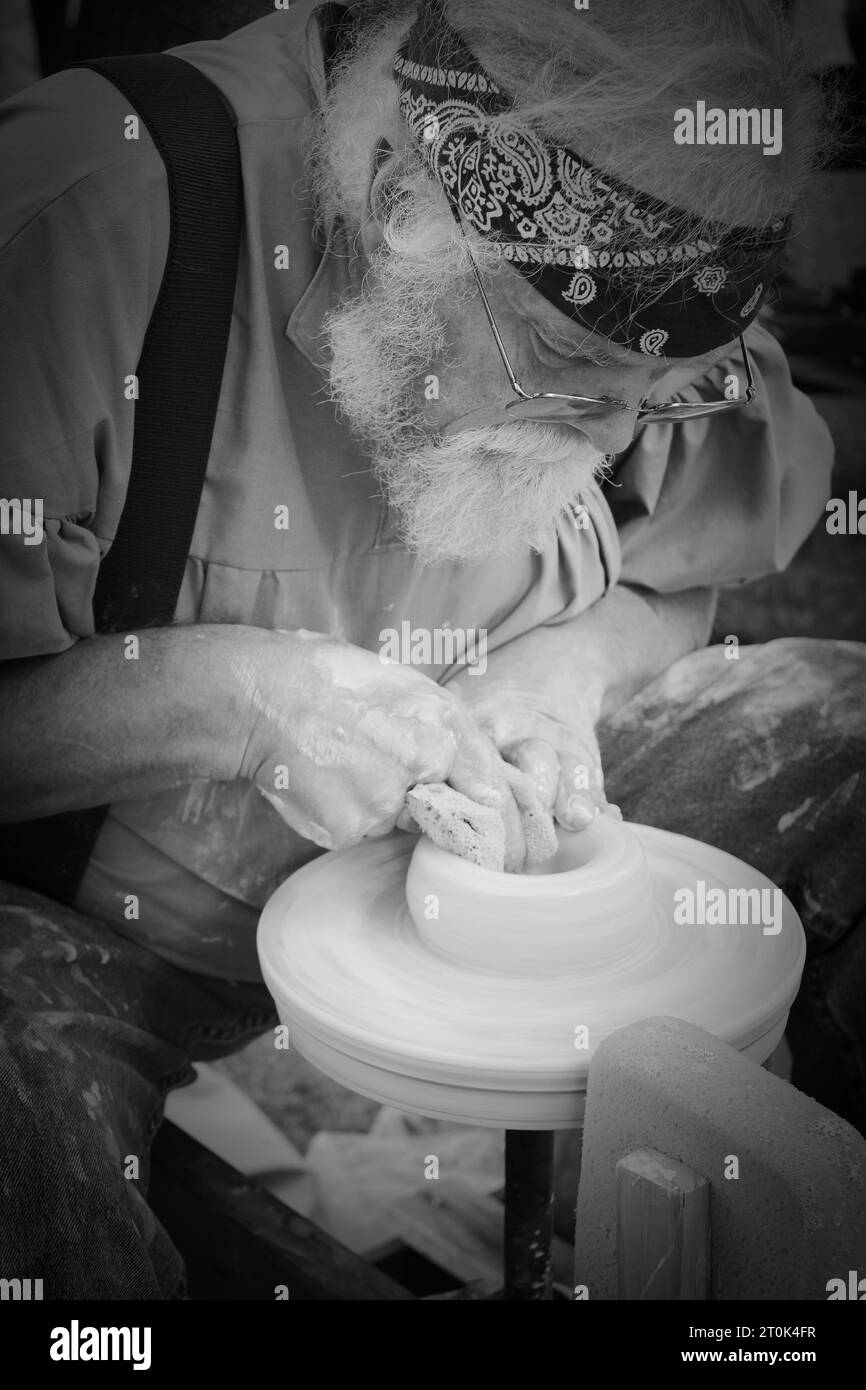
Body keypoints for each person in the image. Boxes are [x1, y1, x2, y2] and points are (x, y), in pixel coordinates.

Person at [0, 0, 862, 1299]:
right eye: (569, 364)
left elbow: (694, 571)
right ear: (402, 197)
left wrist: (566, 667)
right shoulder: (82, 213)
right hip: (97, 933)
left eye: (655, 397)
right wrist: (240, 704)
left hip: (480, 871)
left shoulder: (648, 300)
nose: (608, 438)